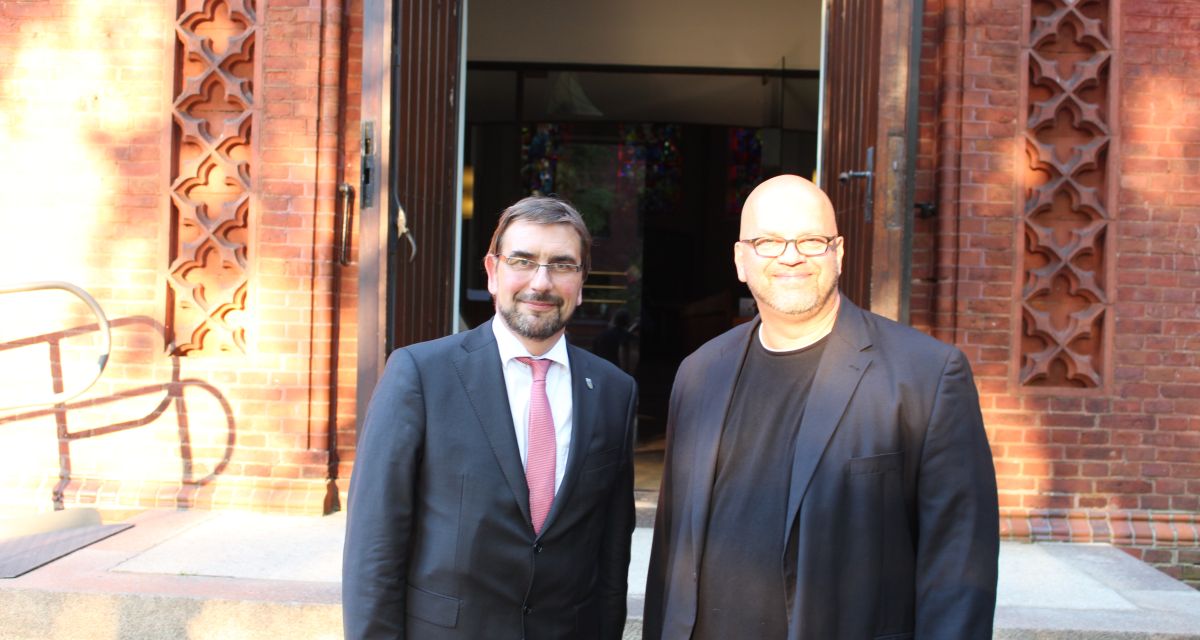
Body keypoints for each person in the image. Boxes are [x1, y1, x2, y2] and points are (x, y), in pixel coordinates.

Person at [643, 175, 999, 639]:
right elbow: (672, 547)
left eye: (811, 240)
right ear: (740, 260)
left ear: (839, 252)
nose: (790, 256)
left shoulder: (926, 375)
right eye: (767, 242)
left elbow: (959, 565)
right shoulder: (699, 372)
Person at [343, 196, 638, 640]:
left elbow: (612, 556)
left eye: (561, 265)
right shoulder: (420, 374)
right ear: (492, 271)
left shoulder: (615, 391)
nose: (541, 282)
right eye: (523, 260)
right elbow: (374, 545)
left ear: (581, 281)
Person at [592, 308, 637, 373]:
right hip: (619, 372)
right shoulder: (629, 337)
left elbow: (594, 353)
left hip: (602, 369)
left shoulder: (601, 335)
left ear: (614, 320)